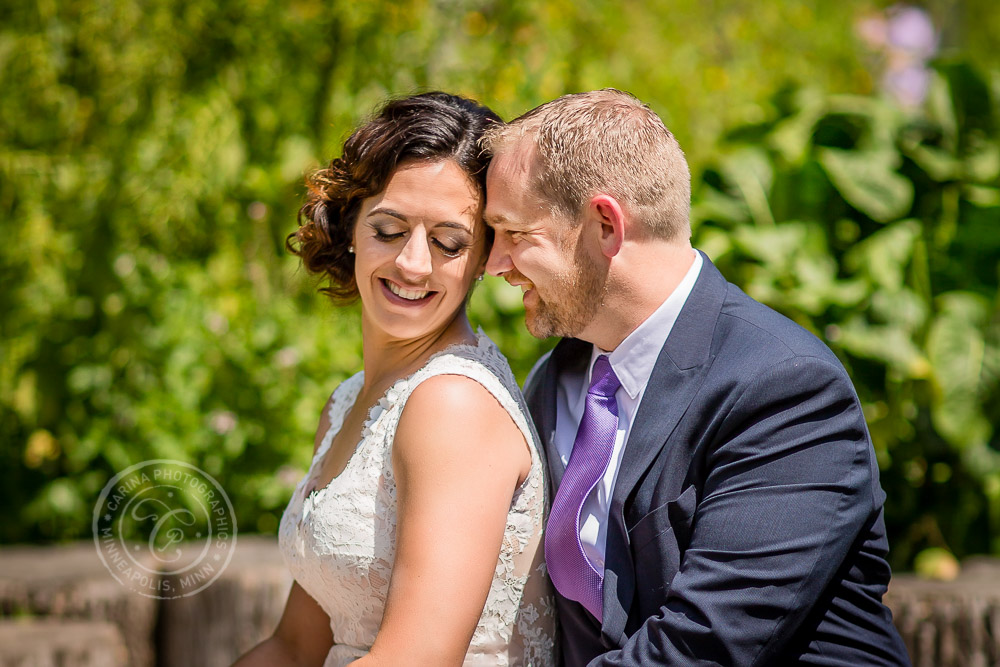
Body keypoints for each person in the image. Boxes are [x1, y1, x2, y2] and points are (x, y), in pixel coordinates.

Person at [481, 89, 910, 665]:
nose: (494, 264)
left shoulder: (786, 389)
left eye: (514, 233)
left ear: (605, 224)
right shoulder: (553, 379)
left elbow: (705, 645)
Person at [235, 92, 555, 667]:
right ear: (351, 225)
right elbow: (295, 646)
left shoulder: (453, 405)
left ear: (484, 254)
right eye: (388, 229)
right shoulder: (348, 403)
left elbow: (416, 660)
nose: (413, 264)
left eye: (447, 242)